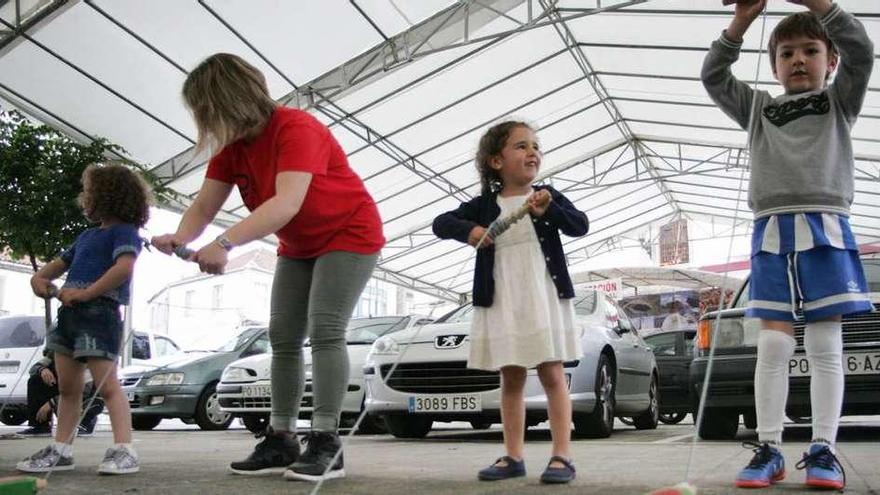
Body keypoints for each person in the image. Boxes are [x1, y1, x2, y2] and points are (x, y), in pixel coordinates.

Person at [151, 53, 384, 482]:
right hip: (298, 244)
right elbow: (205, 203)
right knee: (282, 336)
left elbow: (286, 203)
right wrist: (182, 237)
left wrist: (223, 243)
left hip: (350, 234)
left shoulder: (297, 128)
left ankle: (327, 442)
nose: (204, 120)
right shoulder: (232, 149)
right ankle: (281, 438)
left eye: (205, 110)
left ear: (227, 101)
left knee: (326, 328)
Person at [701, 0, 874, 490]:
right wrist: (743, 20)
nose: (798, 60)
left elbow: (863, 48)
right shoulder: (758, 108)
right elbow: (714, 75)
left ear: (830, 61)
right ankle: (770, 448)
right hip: (772, 230)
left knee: (824, 343)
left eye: (811, 50)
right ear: (774, 64)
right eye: (787, 53)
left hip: (828, 226)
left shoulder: (841, 99)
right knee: (773, 343)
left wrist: (818, 4)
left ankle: (824, 447)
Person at [433, 120, 588, 484]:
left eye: (535, 145)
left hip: (542, 293)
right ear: (495, 162)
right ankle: (513, 455)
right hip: (504, 296)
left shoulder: (547, 196)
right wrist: (469, 231)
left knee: (552, 372)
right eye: (521, 146)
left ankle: (562, 455)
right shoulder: (485, 205)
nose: (532, 151)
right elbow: (442, 222)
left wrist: (548, 210)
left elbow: (579, 225)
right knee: (511, 376)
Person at [18, 163, 152, 474]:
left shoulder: (124, 232)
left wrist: (87, 293)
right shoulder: (86, 236)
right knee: (68, 388)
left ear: (106, 197)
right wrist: (42, 283)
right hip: (70, 317)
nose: (84, 198)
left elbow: (124, 268)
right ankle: (62, 449)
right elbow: (49, 271)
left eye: (88, 192)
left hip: (99, 315)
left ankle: (124, 449)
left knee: (108, 386)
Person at [18, 350, 104, 437]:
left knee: (92, 402)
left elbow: (84, 391)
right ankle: (41, 426)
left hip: (84, 398)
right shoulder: (55, 353)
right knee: (35, 380)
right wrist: (42, 370)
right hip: (65, 394)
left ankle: (86, 421)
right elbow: (35, 367)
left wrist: (51, 403)